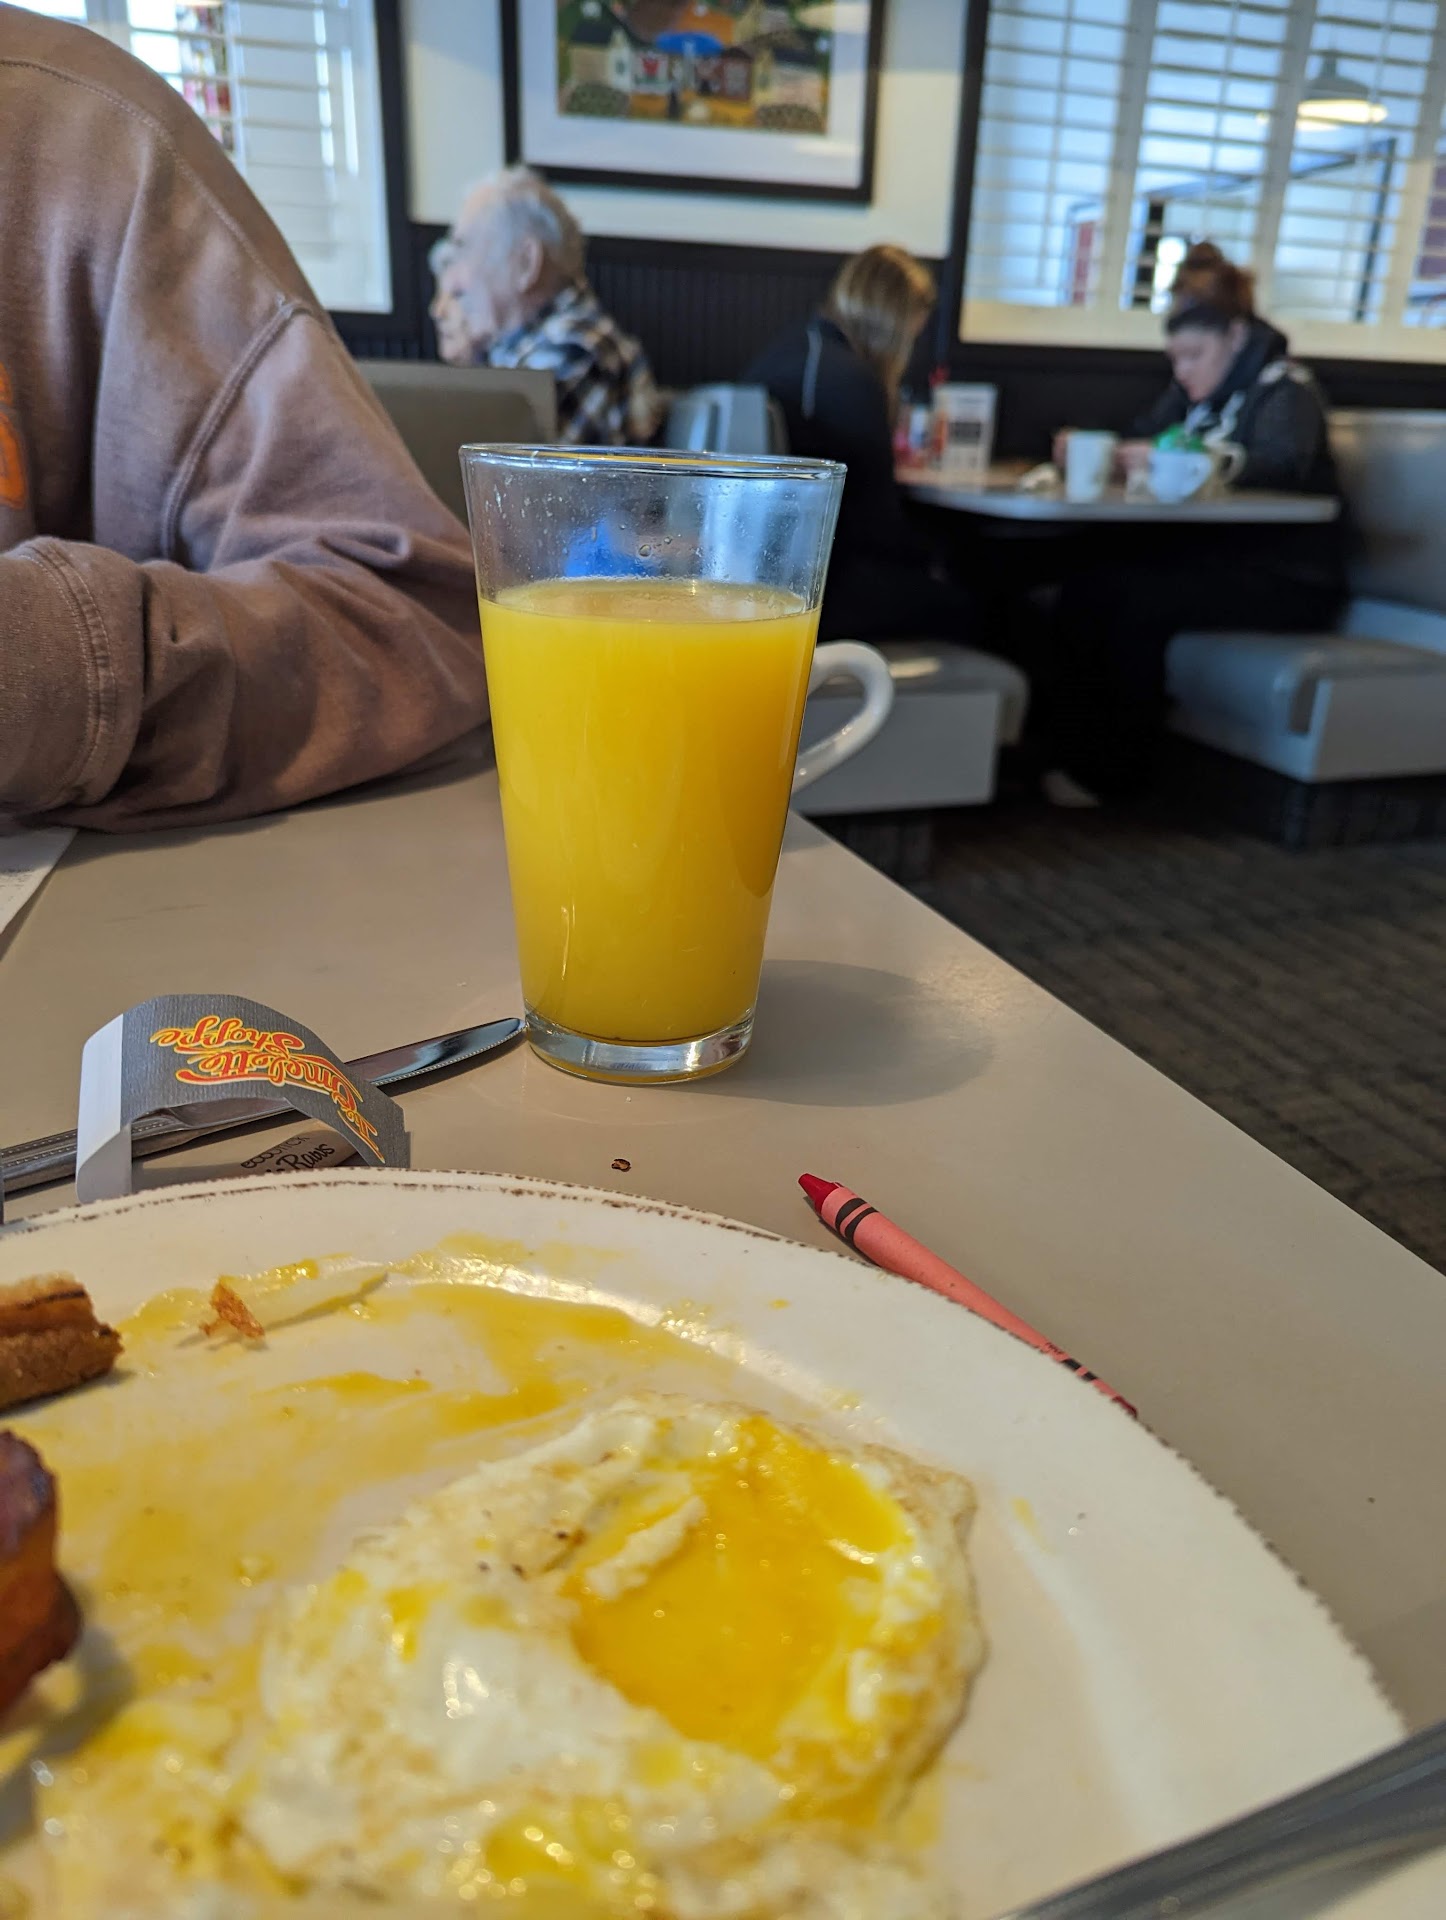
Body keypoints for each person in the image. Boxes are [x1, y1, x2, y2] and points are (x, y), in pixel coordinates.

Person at [0, 8, 487, 834]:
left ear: (526, 266)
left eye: (463, 283)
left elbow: (428, 608)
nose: (446, 306)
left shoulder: (82, 139)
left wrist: (40, 664)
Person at [1040, 246, 1346, 800]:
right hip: (1220, 562)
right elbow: (1145, 433)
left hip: (1289, 576)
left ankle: (1118, 776)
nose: (1182, 372)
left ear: (1236, 336)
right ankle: (1063, 755)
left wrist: (1193, 461)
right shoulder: (1198, 400)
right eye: (1175, 360)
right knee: (1090, 584)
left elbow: (1282, 465)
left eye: (1194, 356)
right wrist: (1106, 451)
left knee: (1138, 602)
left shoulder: (1286, 389)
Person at [745, 245, 974, 645]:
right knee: (979, 607)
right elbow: (879, 528)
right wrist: (942, 553)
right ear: (895, 322)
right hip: (827, 593)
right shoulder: (849, 380)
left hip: (767, 579)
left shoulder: (789, 351)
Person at [430, 168, 663, 447]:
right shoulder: (534, 346)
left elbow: (499, 464)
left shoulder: (575, 349)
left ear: (526, 263)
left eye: (462, 251)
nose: (452, 282)